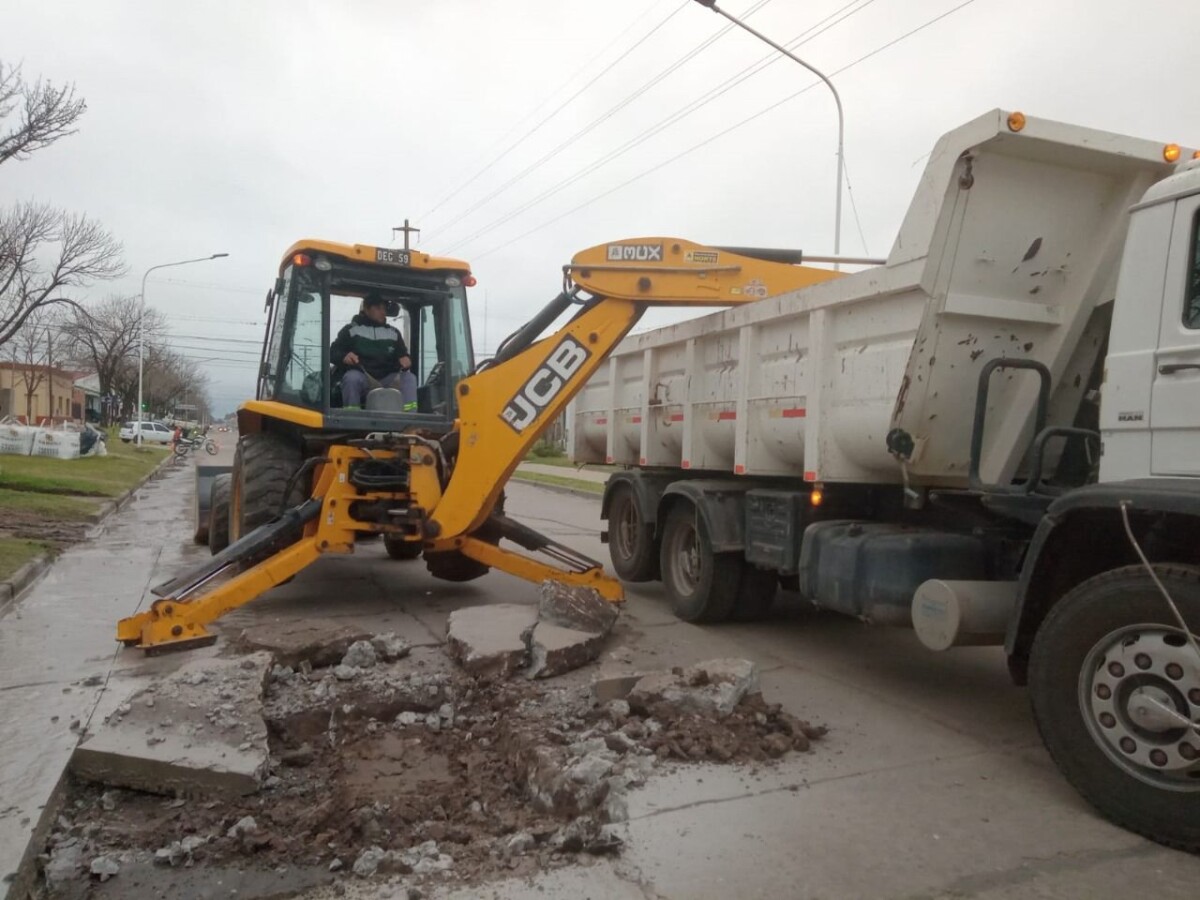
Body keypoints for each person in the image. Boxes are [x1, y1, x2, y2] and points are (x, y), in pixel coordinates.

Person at [330, 293, 418, 411]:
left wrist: (406, 359)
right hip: (363, 375)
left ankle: (410, 417)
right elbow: (333, 352)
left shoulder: (394, 333)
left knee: (409, 378)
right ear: (366, 309)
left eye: (384, 309)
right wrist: (344, 356)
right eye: (378, 308)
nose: (383, 312)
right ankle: (352, 415)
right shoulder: (350, 330)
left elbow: (403, 355)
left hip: (389, 377)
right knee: (351, 378)